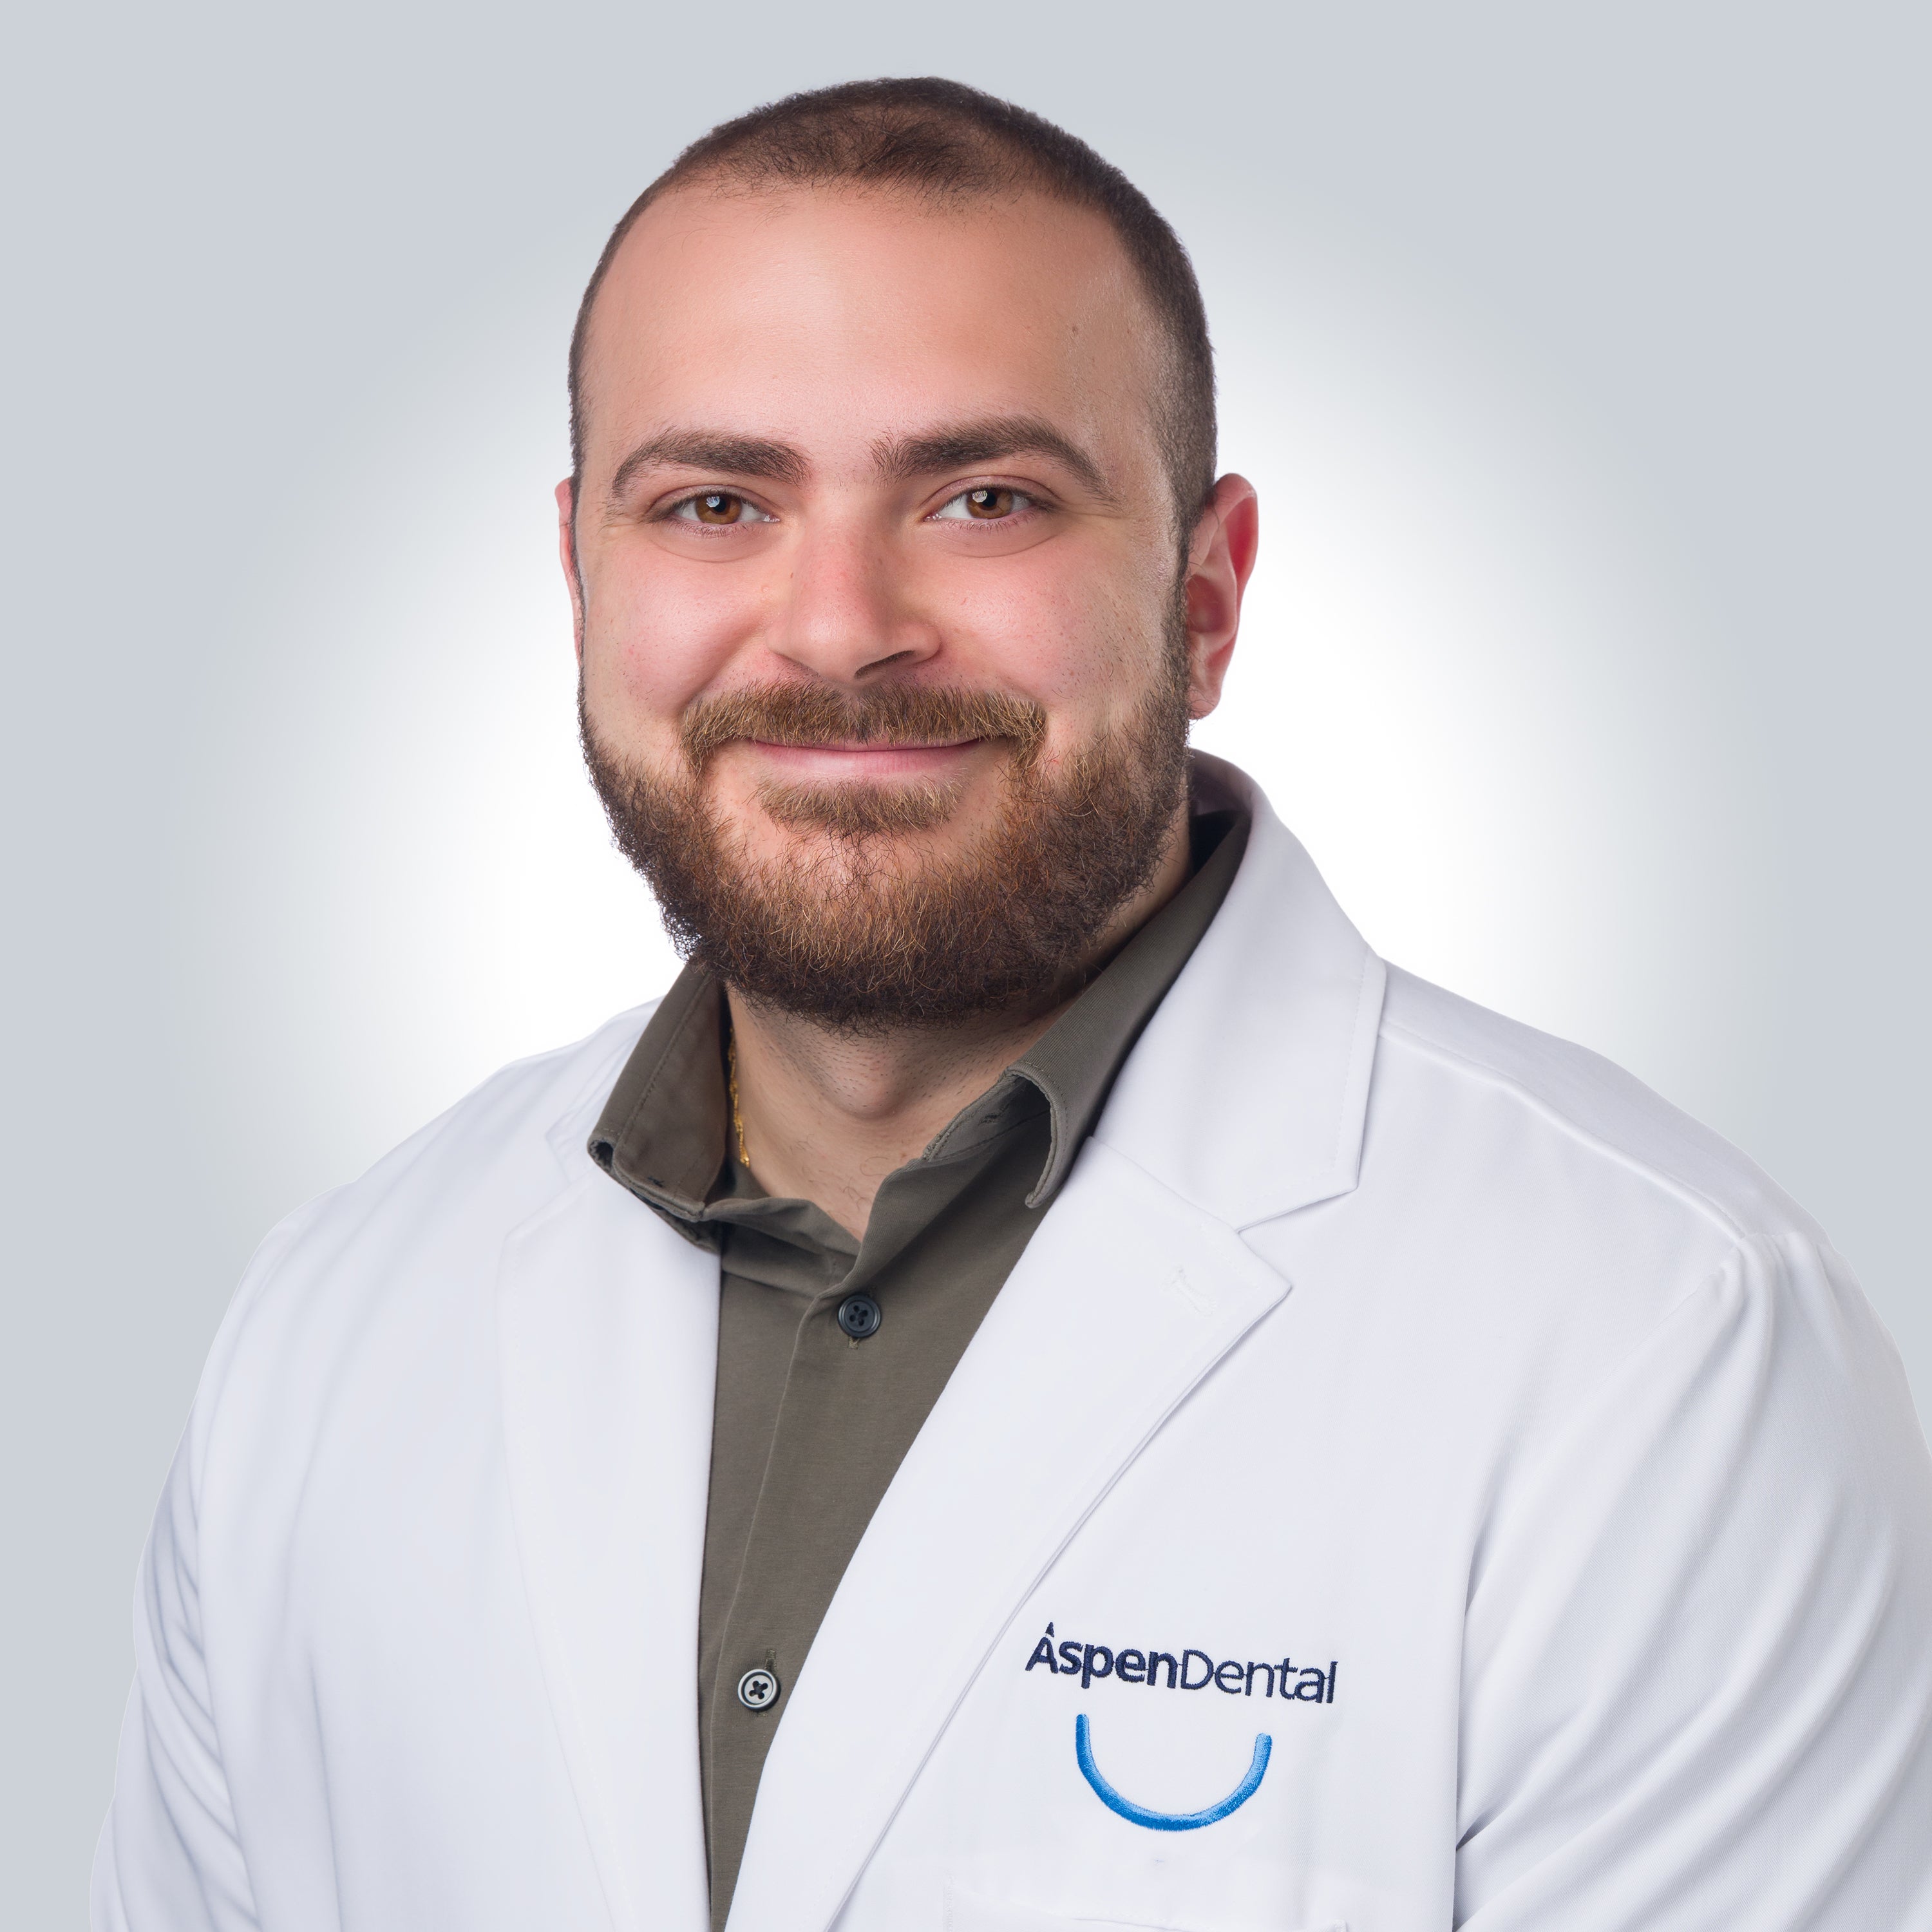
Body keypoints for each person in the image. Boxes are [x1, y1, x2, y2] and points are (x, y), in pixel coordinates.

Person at [94, 77, 1932, 1932]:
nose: (838, 626)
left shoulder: (1661, 1347)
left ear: (1205, 599)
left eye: (985, 500)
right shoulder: (326, 1333)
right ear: (582, 575)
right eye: (716, 502)